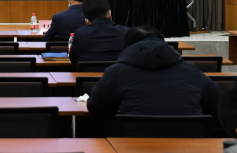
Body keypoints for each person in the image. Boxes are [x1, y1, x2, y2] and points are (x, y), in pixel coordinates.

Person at [86, 25, 219, 121]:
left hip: (131, 147)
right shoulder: (191, 71)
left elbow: (95, 107)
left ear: (127, 47)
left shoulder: (116, 72)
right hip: (189, 148)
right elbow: (218, 105)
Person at [68, 0, 128, 66]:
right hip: (117, 73)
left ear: (86, 19)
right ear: (109, 14)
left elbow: (73, 60)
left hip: (88, 73)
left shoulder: (80, 34)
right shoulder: (126, 32)